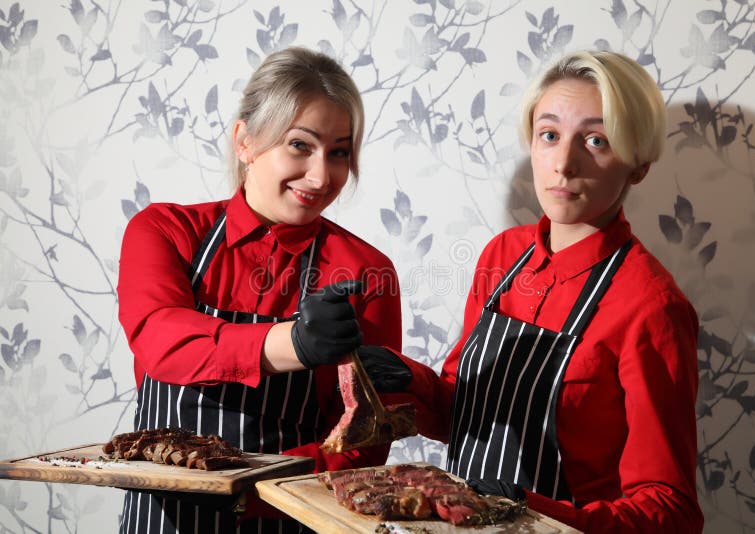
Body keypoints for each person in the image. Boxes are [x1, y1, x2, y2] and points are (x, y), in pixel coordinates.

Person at [364, 50, 703, 533]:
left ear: (639, 165)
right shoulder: (503, 255)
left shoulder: (652, 308)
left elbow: (672, 512)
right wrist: (407, 380)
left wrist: (533, 508)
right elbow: (466, 413)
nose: (564, 163)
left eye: (596, 140)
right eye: (549, 135)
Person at [116, 46, 405, 534]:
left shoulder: (365, 270)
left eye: (338, 152)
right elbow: (160, 338)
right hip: (160, 518)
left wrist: (250, 489)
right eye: (300, 145)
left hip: (287, 516)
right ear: (245, 141)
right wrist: (294, 344)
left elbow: (363, 438)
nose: (320, 176)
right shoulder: (166, 231)